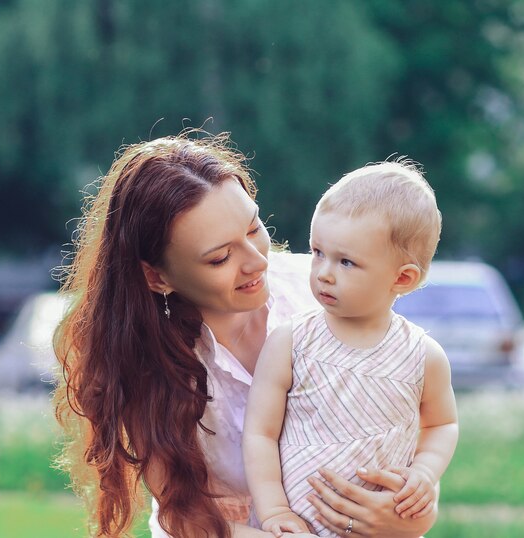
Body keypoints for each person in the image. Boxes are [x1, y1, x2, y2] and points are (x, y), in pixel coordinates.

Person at [52, 131, 439, 538]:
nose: (257, 262)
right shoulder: (146, 361)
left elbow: (399, 431)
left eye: (254, 228)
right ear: (156, 276)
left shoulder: (327, 290)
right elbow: (185, 517)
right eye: (220, 257)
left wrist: (408, 514)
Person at [243, 161, 459, 537]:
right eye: (317, 252)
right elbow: (260, 433)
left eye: (346, 261)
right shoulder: (291, 342)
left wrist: (425, 472)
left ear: (402, 278)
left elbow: (442, 423)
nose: (324, 272)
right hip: (296, 527)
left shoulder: (423, 356)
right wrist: (274, 509)